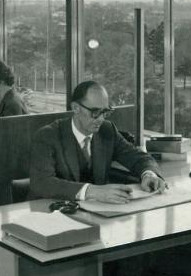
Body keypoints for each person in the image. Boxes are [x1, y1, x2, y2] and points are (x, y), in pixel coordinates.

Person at [29, 80, 166, 203]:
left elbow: (139, 158)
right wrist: (91, 191)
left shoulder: (107, 130)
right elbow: (42, 183)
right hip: (52, 213)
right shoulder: (47, 136)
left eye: (105, 112)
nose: (101, 119)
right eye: (95, 112)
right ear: (76, 108)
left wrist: (148, 174)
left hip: (94, 212)